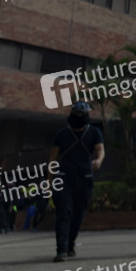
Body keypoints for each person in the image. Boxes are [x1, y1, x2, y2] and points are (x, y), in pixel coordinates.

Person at [47, 102, 104, 262]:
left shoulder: (94, 132)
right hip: (63, 177)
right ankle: (61, 249)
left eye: (81, 114)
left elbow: (100, 150)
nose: (79, 117)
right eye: (76, 114)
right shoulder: (61, 135)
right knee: (64, 213)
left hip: (84, 177)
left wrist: (99, 160)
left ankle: (70, 243)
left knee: (78, 214)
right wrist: (49, 182)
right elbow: (52, 159)